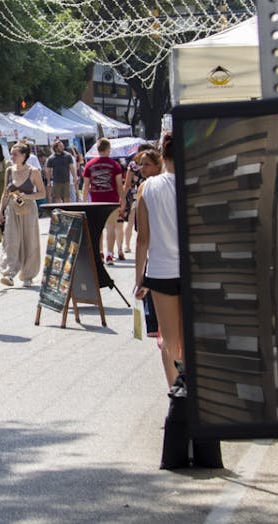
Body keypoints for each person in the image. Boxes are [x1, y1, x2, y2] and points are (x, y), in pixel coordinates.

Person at [132, 139, 179, 387]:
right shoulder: (196, 183)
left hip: (161, 272)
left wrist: (140, 278)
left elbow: (142, 239)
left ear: (162, 155)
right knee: (192, 337)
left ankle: (175, 394)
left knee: (169, 340)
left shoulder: (147, 188)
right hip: (194, 270)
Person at [0, 143, 47, 287]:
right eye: (11, 154)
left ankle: (27, 275)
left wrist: (27, 196)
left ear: (24, 156)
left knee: (29, 241)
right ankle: (9, 273)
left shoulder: (34, 171)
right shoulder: (9, 170)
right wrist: (0, 211)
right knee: (11, 240)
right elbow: (5, 193)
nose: (12, 157)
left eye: (15, 154)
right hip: (12, 209)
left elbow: (42, 193)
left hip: (28, 209)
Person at [81, 138, 126, 263]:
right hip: (111, 200)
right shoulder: (115, 165)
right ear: (108, 149)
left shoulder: (89, 165)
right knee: (110, 227)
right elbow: (119, 185)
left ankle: (99, 253)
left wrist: (84, 201)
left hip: (95, 201)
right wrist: (122, 199)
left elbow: (85, 185)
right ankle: (110, 254)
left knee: (98, 228)